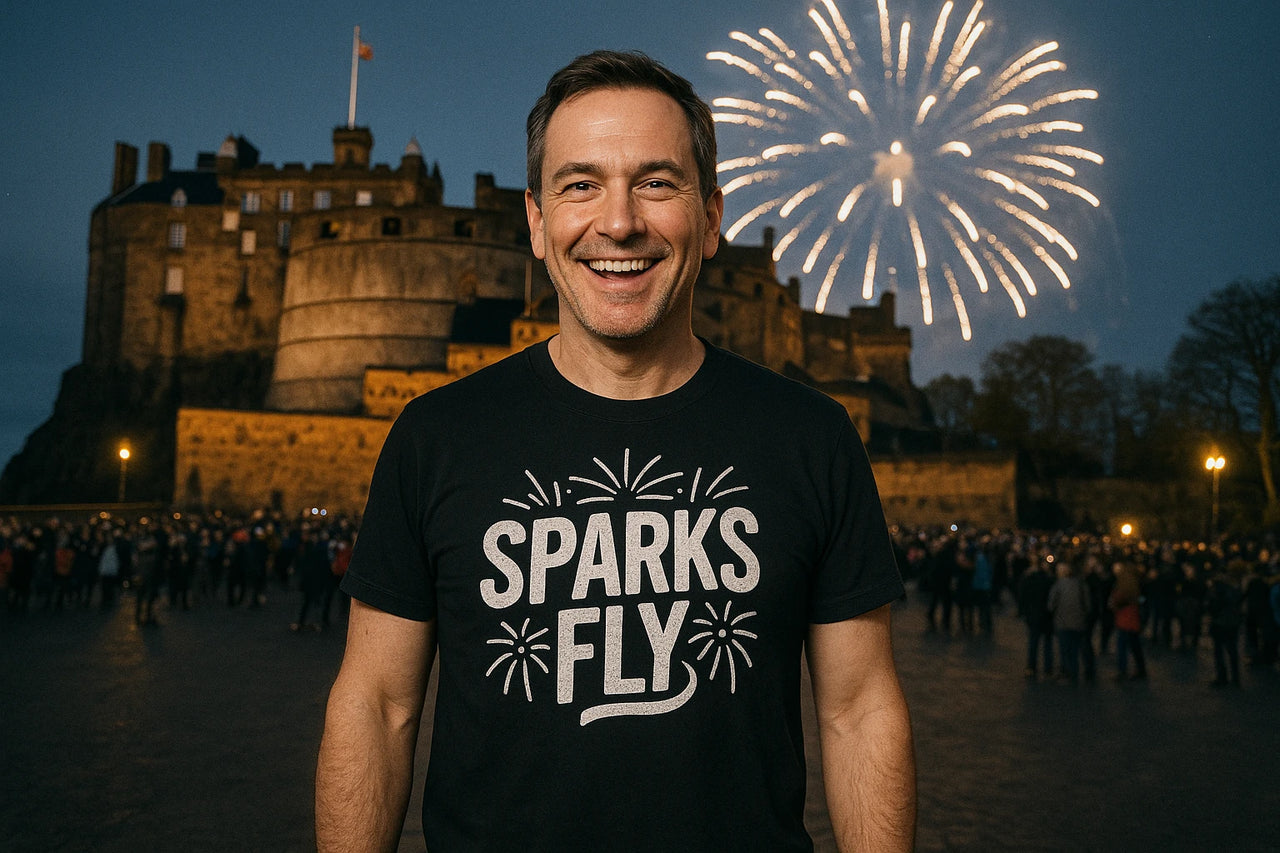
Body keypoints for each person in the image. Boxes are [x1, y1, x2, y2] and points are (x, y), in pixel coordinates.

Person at [316, 50, 915, 852]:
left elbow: (859, 708)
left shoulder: (812, 437)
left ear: (711, 218)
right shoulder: (435, 437)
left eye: (657, 183)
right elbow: (376, 705)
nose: (620, 221)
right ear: (536, 222)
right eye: (580, 185)